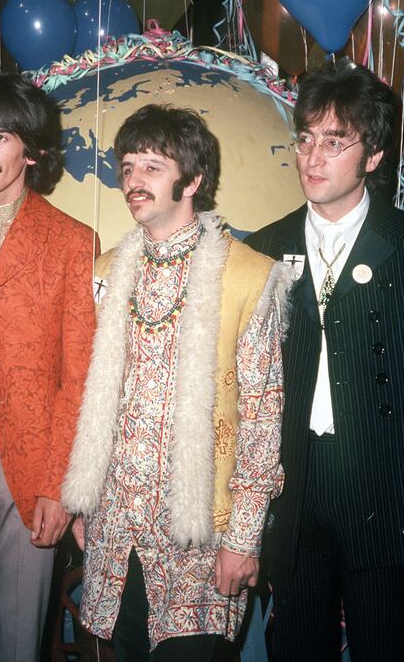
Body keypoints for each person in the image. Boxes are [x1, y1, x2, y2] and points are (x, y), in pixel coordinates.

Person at [245, 59, 404, 661]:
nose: (313, 158)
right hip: (296, 481)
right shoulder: (267, 249)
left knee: (386, 643)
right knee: (296, 643)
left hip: (387, 476)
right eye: (306, 139)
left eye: (335, 141)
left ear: (372, 157)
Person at [62, 104, 289, 661]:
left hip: (199, 537)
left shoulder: (248, 275)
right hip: (118, 528)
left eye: (152, 168)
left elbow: (262, 421)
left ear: (192, 180)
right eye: (129, 166)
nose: (133, 181)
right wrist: (86, 503)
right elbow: (95, 401)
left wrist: (243, 539)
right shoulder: (107, 271)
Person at [0, 72, 97, 662]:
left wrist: (60, 486)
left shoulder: (69, 241)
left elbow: (79, 377)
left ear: (31, 150)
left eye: (0, 137)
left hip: (34, 465)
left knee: (20, 646)